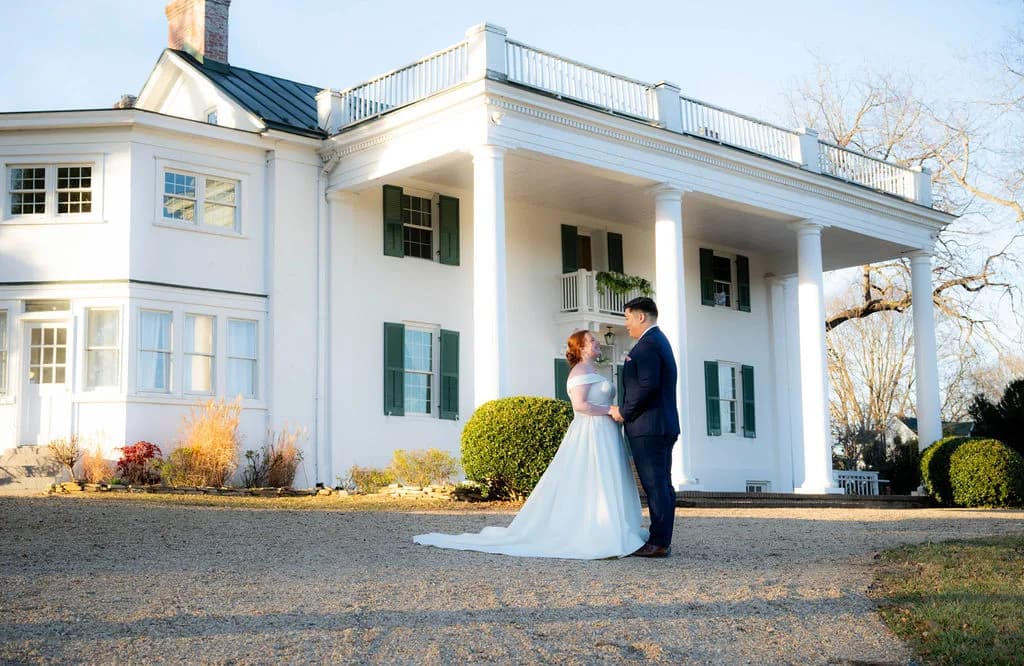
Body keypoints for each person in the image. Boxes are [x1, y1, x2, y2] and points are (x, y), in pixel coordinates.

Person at [413, 330, 646, 559]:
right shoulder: (579, 371)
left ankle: (612, 524)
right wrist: (609, 409)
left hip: (606, 431)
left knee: (607, 476)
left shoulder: (592, 369)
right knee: (594, 476)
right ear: (581, 348)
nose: (597, 343)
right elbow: (580, 405)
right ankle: (598, 531)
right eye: (591, 341)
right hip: (592, 431)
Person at [609, 297, 679, 558]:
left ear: (641, 317)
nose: (625, 324)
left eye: (627, 318)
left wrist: (624, 412)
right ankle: (661, 538)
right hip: (659, 425)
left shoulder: (648, 344)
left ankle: (659, 542)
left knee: (655, 484)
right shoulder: (658, 341)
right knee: (661, 484)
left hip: (650, 427)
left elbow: (648, 385)